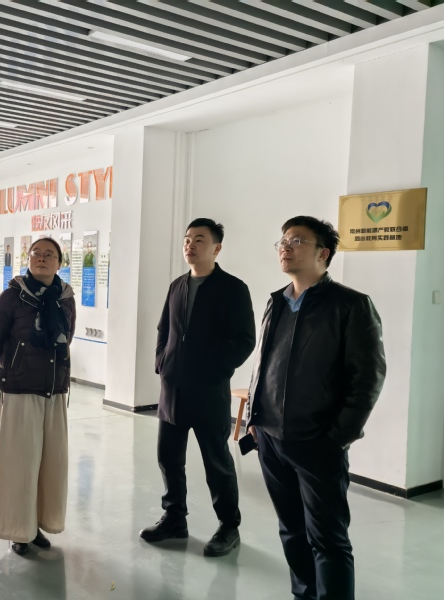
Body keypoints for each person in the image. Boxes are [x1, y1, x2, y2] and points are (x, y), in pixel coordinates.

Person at [245, 216, 385, 600]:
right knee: (291, 530)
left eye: (296, 241)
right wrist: (253, 417)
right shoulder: (276, 301)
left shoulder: (350, 305)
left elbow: (367, 379)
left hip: (317, 441)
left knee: (328, 539)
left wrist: (337, 437)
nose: (285, 247)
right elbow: (263, 363)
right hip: (270, 438)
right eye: (282, 241)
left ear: (323, 253)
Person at [141, 218, 255, 557]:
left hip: (209, 390)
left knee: (216, 461)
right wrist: (162, 363)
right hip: (172, 388)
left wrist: (215, 369)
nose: (190, 245)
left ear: (216, 248)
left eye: (199, 240)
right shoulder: (177, 285)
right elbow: (164, 329)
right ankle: (174, 518)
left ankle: (229, 526)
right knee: (168, 457)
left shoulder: (232, 288)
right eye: (187, 239)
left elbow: (245, 340)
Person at [0, 237, 76, 556]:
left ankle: (36, 524)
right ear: (28, 259)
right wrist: (10, 367)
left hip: (54, 390)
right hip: (20, 389)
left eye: (49, 254)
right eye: (36, 253)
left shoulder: (65, 297)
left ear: (59, 263)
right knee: (20, 464)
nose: (42, 258)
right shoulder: (13, 295)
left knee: (51, 463)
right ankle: (17, 531)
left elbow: (67, 337)